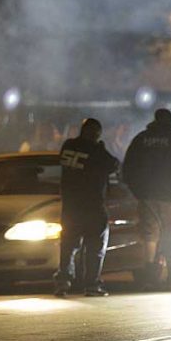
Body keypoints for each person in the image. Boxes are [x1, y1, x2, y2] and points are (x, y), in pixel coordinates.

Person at [122, 108, 171, 288]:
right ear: (170, 121)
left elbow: (128, 167)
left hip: (147, 196)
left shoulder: (141, 140)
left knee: (149, 235)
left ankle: (149, 275)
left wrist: (137, 191)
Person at [55, 118, 119, 298]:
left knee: (68, 245)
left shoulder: (68, 146)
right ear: (97, 134)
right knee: (95, 247)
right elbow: (113, 165)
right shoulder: (96, 151)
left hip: (70, 206)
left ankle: (63, 282)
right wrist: (101, 147)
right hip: (93, 206)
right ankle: (92, 285)